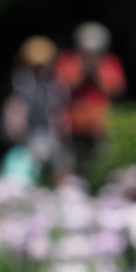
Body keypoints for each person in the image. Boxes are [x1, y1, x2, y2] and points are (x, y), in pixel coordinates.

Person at [55, 22, 126, 169]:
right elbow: (60, 88)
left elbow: (117, 90)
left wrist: (96, 74)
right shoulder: (69, 60)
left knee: (101, 162)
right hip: (72, 126)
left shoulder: (110, 62)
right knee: (71, 164)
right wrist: (83, 73)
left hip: (100, 125)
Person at [0, 36, 68, 182]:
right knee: (30, 158)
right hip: (24, 135)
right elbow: (14, 110)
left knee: (58, 159)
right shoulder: (20, 80)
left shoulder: (54, 82)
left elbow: (57, 110)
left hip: (45, 133)